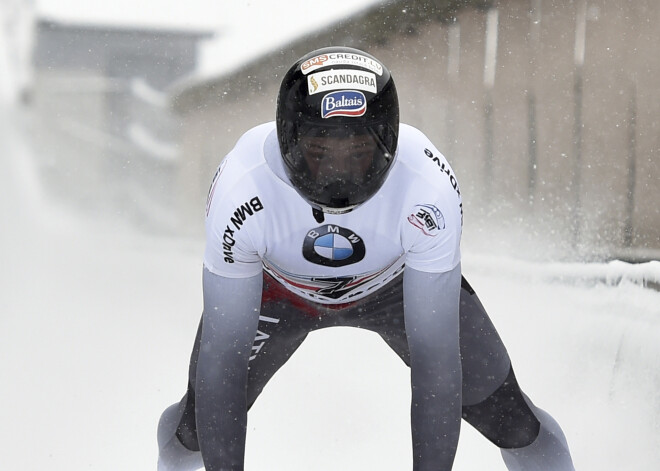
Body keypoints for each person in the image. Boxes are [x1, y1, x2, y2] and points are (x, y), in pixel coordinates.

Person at [157, 46, 575, 471]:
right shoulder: (242, 187)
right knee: (194, 430)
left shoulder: (427, 186)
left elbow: (436, 366)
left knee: (513, 423)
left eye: (358, 153)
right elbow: (224, 359)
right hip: (279, 291)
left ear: (388, 140)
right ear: (288, 139)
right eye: (320, 153)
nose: (340, 175)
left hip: (391, 288)